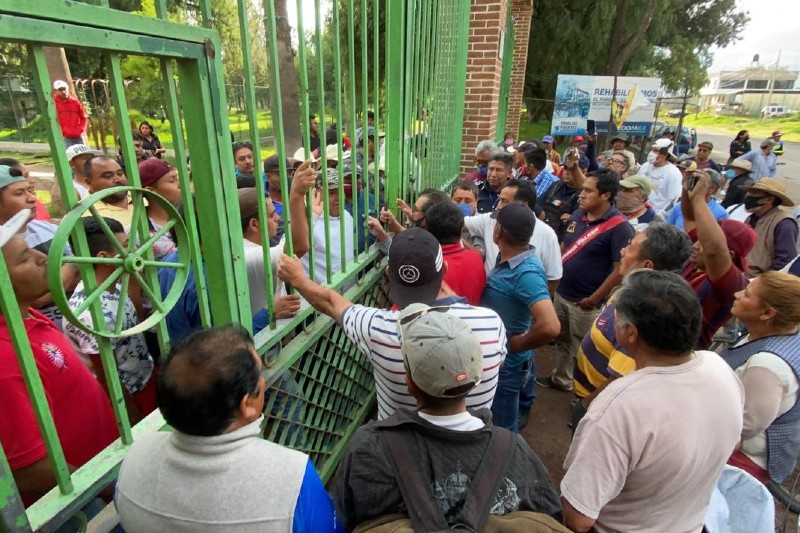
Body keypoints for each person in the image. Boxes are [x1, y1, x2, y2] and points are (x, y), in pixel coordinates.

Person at [330, 303, 562, 531]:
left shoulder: (368, 449)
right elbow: (551, 517)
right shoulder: (516, 450)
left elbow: (339, 519)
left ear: (410, 384)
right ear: (477, 377)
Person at [561, 270, 744, 533]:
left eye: (616, 312)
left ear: (630, 333)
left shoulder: (619, 404)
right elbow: (733, 442)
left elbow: (579, 517)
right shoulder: (720, 368)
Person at [115, 326, 343, 532]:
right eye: (259, 374)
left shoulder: (134, 459)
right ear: (247, 405)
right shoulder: (293, 479)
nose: (263, 381)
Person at [277, 228, 507, 420]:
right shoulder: (490, 322)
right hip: (471, 443)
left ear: (388, 273)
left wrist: (297, 279)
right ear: (444, 269)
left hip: (397, 450)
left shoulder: (380, 328)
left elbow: (329, 302)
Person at [0, 215, 118, 506]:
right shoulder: (6, 358)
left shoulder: (27, 316)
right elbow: (30, 470)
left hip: (103, 470)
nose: (43, 258)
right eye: (25, 258)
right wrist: (105, 493)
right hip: (77, 504)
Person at [572, 223, 692, 421]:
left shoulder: (644, 314)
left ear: (647, 266)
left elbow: (619, 377)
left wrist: (586, 407)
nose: (622, 250)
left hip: (598, 407)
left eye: (630, 247)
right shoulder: (630, 290)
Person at [539, 169, 634, 392]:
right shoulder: (576, 216)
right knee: (562, 340)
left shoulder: (619, 227)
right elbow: (564, 248)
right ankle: (561, 378)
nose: (581, 194)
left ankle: (583, 392)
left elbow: (619, 271)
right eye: (582, 190)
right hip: (562, 293)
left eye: (588, 191)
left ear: (606, 196)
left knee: (583, 348)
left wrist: (594, 299)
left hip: (586, 302)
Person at [62, 217, 156, 424]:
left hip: (144, 376)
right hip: (128, 395)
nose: (134, 252)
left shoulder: (117, 284)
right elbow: (107, 374)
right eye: (124, 247)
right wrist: (130, 414)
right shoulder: (89, 314)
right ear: (104, 257)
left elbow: (136, 326)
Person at [481, 204, 560, 431]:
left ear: (499, 233)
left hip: (507, 366)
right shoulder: (510, 260)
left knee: (503, 430)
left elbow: (550, 326)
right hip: (506, 361)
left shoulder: (526, 272)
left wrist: (518, 343)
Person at [722, 271, 800, 485]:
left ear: (767, 313)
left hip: (745, 461)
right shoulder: (784, 333)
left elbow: (746, 424)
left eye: (746, 294)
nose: (737, 294)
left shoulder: (768, 364)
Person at [681, 171, 756, 349]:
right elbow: (690, 217)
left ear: (729, 255)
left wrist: (699, 199)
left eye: (705, 242)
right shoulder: (701, 258)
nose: (697, 244)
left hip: (681, 354)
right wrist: (687, 189)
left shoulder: (732, 283)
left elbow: (714, 250)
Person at [464, 180, 563, 291]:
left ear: (523, 205)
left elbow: (553, 278)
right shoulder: (491, 219)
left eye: (504, 201)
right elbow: (459, 224)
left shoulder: (547, 235)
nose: (498, 206)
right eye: (499, 199)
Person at [424, 201, 486, 306]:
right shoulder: (475, 258)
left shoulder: (426, 265)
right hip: (473, 319)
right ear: (462, 229)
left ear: (427, 229)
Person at [301, 168, 355, 284]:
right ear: (315, 193)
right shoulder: (309, 220)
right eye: (331, 193)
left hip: (351, 293)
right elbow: (287, 249)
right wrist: (312, 218)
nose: (339, 197)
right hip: (320, 297)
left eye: (341, 190)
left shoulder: (346, 216)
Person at [742, 178, 798, 276]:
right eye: (749, 192)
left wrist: (764, 282)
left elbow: (784, 261)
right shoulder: (752, 218)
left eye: (754, 193)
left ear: (770, 199)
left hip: (757, 280)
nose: (748, 196)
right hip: (741, 274)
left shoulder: (784, 223)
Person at [136, 158, 181, 259]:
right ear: (150, 191)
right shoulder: (136, 234)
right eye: (172, 180)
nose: (180, 184)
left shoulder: (194, 217)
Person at [538, 150, 584, 241]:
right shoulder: (555, 185)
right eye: (565, 168)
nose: (566, 172)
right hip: (543, 233)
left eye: (571, 169)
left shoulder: (583, 195)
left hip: (562, 240)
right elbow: (537, 203)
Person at [82, 156, 134, 226]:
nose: (117, 179)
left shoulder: (141, 197)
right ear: (88, 182)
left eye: (120, 173)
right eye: (108, 176)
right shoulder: (83, 214)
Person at [638, 138, 682, 215]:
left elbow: (674, 200)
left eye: (656, 151)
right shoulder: (645, 166)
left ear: (665, 154)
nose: (651, 153)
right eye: (652, 150)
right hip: (638, 210)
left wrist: (659, 216)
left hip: (656, 214)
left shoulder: (673, 173)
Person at [52, 80, 87, 147]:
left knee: (83, 156)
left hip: (78, 136)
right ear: (56, 91)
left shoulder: (75, 102)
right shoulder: (53, 103)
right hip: (65, 137)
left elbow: (83, 117)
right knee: (68, 156)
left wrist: (81, 129)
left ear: (67, 89)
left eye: (64, 89)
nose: (63, 92)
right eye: (60, 90)